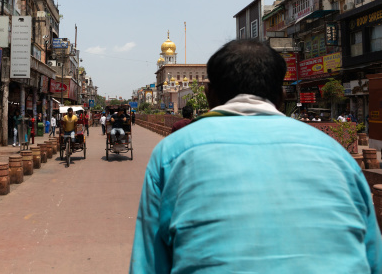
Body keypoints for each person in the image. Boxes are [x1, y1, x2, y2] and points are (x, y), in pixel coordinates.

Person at [130, 39, 382, 273]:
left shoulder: (172, 151)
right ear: (281, 97)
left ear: (208, 94)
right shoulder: (337, 155)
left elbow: (149, 263)